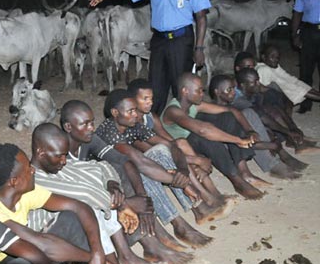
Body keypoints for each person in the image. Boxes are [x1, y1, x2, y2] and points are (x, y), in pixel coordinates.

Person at [30, 123, 165, 264]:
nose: (64, 160)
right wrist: (123, 204)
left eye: (65, 155)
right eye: (60, 156)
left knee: (106, 191)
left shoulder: (58, 164)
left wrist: (112, 184)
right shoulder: (34, 178)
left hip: (74, 225)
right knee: (90, 209)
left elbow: (101, 167)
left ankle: (126, 258)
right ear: (41, 153)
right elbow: (84, 195)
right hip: (48, 236)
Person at [0, 143, 120, 264]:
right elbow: (44, 246)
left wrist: (98, 254)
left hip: (24, 257)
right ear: (14, 181)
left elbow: (80, 207)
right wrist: (93, 258)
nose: (33, 170)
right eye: (28, 168)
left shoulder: (21, 193)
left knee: (70, 220)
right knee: (42, 259)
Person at [59, 100, 194, 264]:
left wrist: (142, 198)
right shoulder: (57, 150)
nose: (91, 128)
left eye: (92, 122)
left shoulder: (88, 139)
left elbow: (124, 161)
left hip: (98, 188)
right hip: (74, 203)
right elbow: (79, 191)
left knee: (123, 169)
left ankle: (152, 242)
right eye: (85, 124)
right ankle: (143, 248)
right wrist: (126, 203)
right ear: (68, 127)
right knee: (119, 185)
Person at [89, 0, 211, 113]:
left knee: (181, 87)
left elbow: (201, 17)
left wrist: (199, 47)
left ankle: (183, 123)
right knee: (155, 85)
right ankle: (155, 122)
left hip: (181, 40)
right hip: (159, 40)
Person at [96, 89, 215, 248]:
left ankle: (196, 207)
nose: (136, 114)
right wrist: (182, 183)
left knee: (160, 151)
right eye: (130, 111)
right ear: (115, 112)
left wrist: (183, 170)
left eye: (135, 110)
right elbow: (140, 162)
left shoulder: (132, 124)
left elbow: (170, 145)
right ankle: (177, 223)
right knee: (143, 172)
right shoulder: (109, 132)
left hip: (129, 167)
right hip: (107, 180)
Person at [126, 78, 235, 213]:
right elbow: (154, 152)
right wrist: (196, 160)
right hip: (143, 163)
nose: (150, 102)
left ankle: (214, 192)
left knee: (181, 143)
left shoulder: (150, 117)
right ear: (132, 100)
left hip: (158, 152)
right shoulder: (130, 124)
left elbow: (170, 142)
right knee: (176, 159)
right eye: (145, 99)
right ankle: (205, 197)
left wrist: (192, 158)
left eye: (151, 98)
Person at [160, 73, 266, 200]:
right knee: (205, 135)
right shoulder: (173, 110)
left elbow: (232, 110)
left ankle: (244, 171)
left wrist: (250, 131)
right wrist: (238, 140)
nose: (202, 94)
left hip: (192, 142)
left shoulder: (194, 105)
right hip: (177, 149)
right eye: (199, 90)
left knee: (228, 118)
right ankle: (236, 179)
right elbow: (203, 130)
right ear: (185, 91)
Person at [233, 69, 314, 164]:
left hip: (254, 120)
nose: (258, 83)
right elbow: (263, 119)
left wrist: (292, 127)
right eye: (254, 82)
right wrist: (288, 132)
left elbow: (273, 107)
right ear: (243, 85)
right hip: (240, 131)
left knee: (272, 103)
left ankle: (293, 140)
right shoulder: (238, 99)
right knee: (266, 128)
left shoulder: (250, 89)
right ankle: (283, 152)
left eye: (258, 80)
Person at [291, 0, 320, 113]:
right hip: (309, 32)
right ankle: (306, 103)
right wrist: (294, 35)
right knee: (306, 71)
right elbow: (297, 13)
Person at [255, 44, 320, 109]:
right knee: (297, 89)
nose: (276, 60)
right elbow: (265, 90)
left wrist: (304, 86)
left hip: (285, 89)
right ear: (264, 57)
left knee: (300, 85)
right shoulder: (263, 69)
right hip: (276, 96)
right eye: (272, 57)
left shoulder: (273, 66)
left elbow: (289, 78)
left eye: (277, 57)